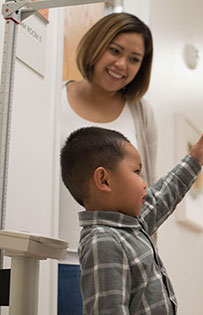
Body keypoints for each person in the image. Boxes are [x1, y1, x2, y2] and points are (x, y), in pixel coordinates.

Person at [60, 126, 203, 314]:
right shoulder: (103, 242)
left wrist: (194, 161)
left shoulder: (131, 225)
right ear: (104, 180)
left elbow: (163, 196)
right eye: (137, 171)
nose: (144, 183)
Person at [60, 12, 156, 250]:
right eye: (114, 51)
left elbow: (147, 188)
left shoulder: (140, 112)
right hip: (50, 253)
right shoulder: (53, 98)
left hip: (117, 257)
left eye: (134, 59)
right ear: (97, 44)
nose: (121, 65)